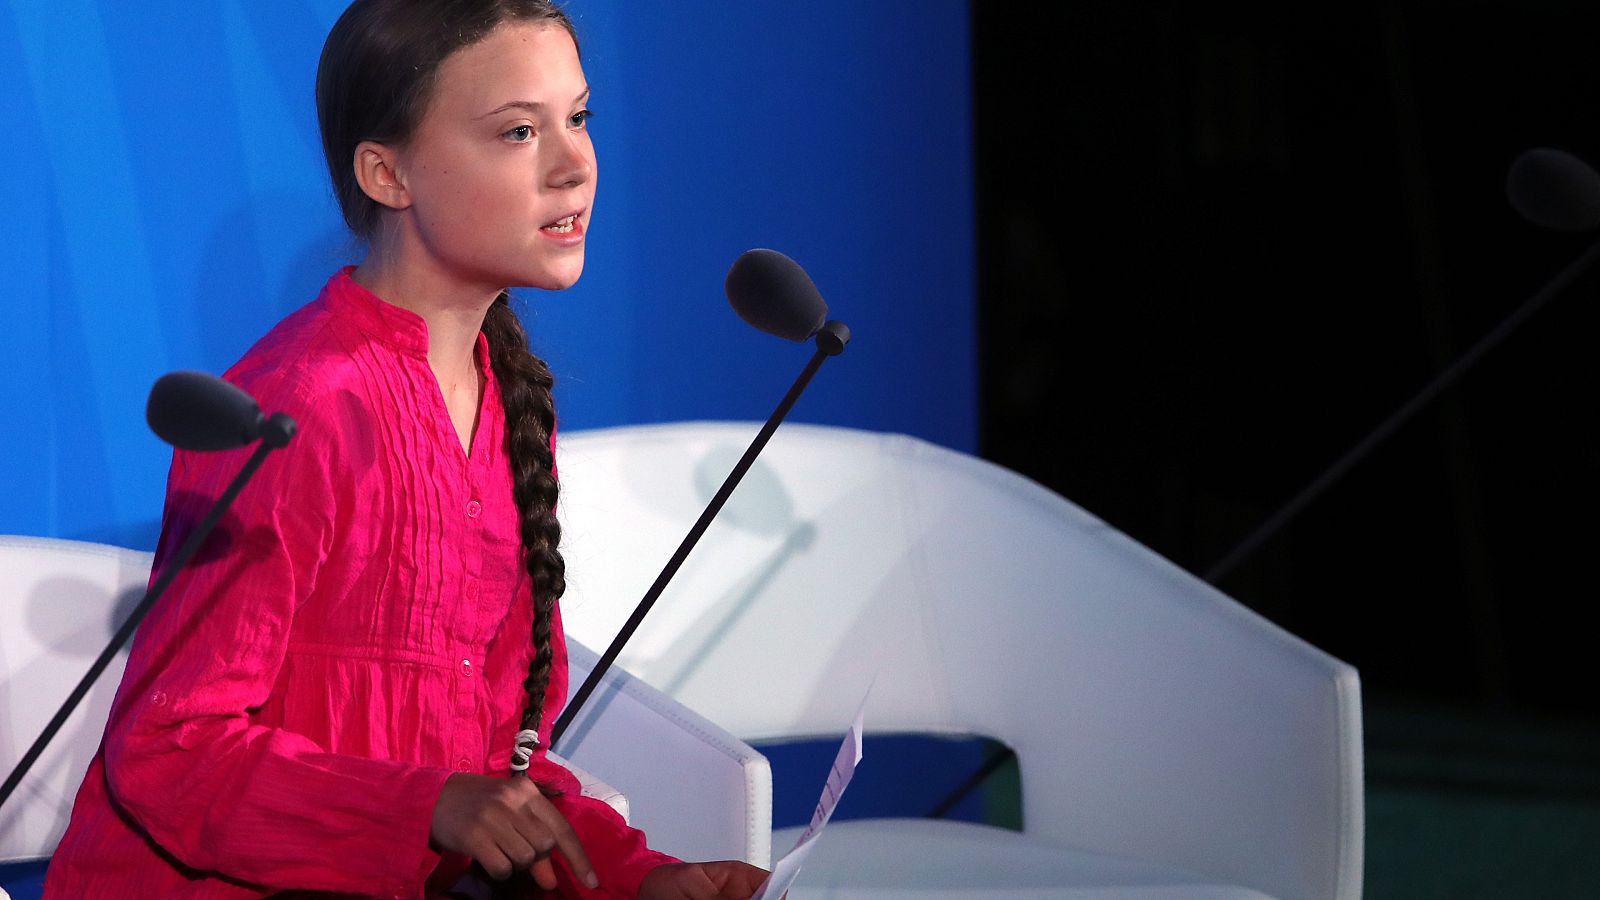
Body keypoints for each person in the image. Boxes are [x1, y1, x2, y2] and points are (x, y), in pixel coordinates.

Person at [42, 2, 770, 898]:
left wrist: (636, 878)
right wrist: (424, 806)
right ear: (389, 174)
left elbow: (502, 771)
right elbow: (166, 752)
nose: (574, 164)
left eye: (577, 118)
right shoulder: (298, 405)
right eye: (516, 131)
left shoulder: (511, 405)